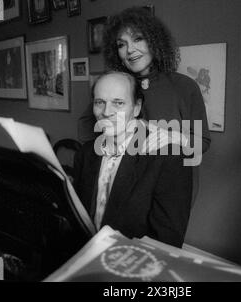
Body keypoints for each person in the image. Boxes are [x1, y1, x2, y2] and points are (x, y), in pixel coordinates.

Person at [77, 7, 211, 203]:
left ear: (154, 41)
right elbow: (86, 131)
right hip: (123, 191)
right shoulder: (117, 86)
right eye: (122, 44)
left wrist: (172, 137)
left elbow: (203, 142)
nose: (130, 50)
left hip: (170, 191)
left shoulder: (184, 87)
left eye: (138, 39)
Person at [73, 71, 192, 247]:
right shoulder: (85, 153)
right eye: (99, 102)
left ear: (136, 108)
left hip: (132, 265)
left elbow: (166, 242)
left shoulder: (167, 158)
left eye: (118, 103)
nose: (106, 112)